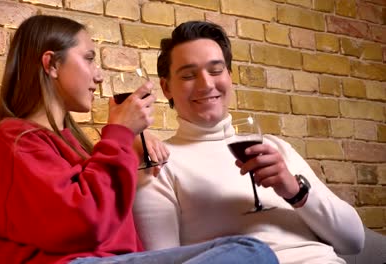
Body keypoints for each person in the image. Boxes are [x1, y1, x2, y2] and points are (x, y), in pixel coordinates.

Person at [0, 15, 279, 264]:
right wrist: (119, 134)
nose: (99, 76)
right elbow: (85, 224)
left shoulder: (72, 144)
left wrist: (130, 151)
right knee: (251, 254)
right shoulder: (15, 137)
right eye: (89, 59)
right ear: (52, 64)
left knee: (251, 248)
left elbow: (112, 224)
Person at [133, 20, 365, 264]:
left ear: (230, 77)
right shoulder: (159, 164)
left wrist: (295, 191)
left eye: (215, 71)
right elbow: (163, 260)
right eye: (189, 75)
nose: (206, 84)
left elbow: (354, 241)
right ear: (166, 87)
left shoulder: (276, 147)